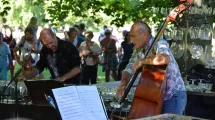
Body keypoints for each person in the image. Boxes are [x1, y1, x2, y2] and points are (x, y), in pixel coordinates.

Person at [116, 21, 186, 115]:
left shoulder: (159, 43)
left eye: (133, 36)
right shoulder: (138, 50)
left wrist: (142, 61)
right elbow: (128, 69)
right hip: (155, 95)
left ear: (143, 33)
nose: (131, 40)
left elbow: (164, 58)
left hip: (172, 94)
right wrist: (123, 84)